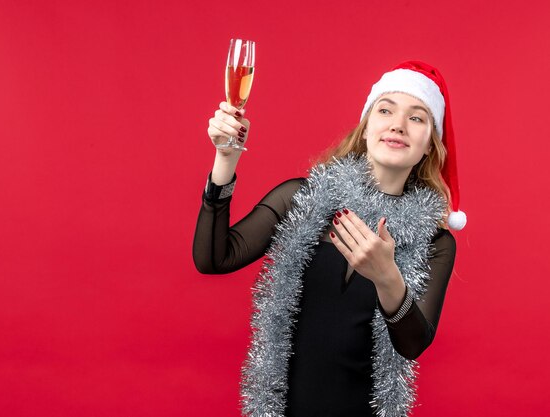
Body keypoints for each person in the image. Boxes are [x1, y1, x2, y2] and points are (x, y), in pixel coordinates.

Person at [193, 61, 465, 417]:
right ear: (366, 128)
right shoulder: (302, 199)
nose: (398, 124)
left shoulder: (435, 241)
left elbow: (413, 344)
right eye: (385, 110)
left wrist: (387, 277)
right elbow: (214, 258)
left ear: (430, 145)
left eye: (417, 117)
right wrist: (225, 160)